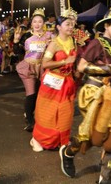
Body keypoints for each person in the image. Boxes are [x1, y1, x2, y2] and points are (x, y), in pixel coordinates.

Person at [58, 8, 111, 182]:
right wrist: (106, 69)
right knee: (91, 136)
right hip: (93, 93)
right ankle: (68, 152)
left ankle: (104, 178)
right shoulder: (97, 43)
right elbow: (81, 66)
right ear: (106, 26)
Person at [31, 9, 78, 152]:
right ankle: (37, 139)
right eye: (67, 24)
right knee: (49, 114)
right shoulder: (54, 44)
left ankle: (61, 140)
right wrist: (64, 61)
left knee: (65, 113)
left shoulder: (72, 40)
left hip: (67, 82)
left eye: (72, 24)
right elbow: (45, 64)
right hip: (52, 84)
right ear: (58, 27)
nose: (70, 27)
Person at [16, 8, 52, 132]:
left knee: (40, 94)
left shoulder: (50, 36)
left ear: (44, 23)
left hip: (43, 68)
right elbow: (17, 52)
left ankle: (33, 114)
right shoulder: (26, 35)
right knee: (31, 93)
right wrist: (16, 41)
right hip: (29, 67)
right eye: (35, 21)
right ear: (31, 23)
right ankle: (30, 121)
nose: (37, 24)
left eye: (40, 21)